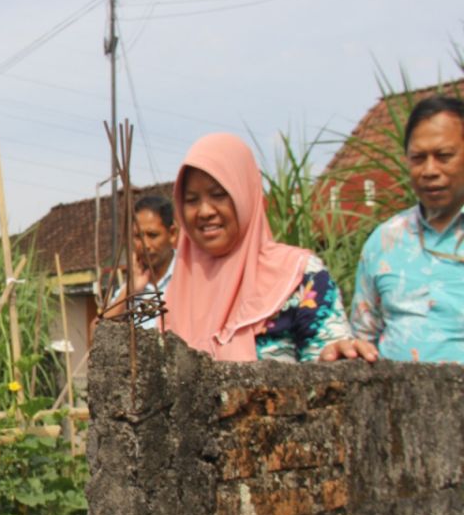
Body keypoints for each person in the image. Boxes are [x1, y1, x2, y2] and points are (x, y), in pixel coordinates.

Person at [163, 132, 377, 363]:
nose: (205, 211)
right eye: (192, 200)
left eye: (218, 195)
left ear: (245, 194)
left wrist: (338, 352)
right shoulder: (175, 290)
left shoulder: (299, 277)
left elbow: (330, 356)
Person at [350, 95, 464, 362]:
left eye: (444, 156)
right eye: (418, 158)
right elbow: (363, 337)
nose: (429, 170)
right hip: (397, 401)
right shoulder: (384, 241)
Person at [106, 194, 178, 329]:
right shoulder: (134, 283)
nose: (144, 245)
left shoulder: (190, 274)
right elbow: (96, 333)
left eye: (153, 235)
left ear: (172, 234)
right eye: (138, 236)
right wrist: (129, 292)